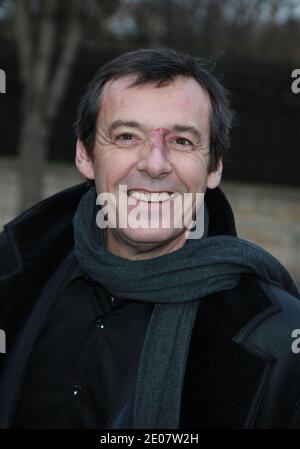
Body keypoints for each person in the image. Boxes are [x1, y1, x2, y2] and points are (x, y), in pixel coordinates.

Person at [0, 48, 300, 429]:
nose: (155, 164)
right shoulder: (17, 274)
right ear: (85, 155)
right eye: (127, 136)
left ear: (215, 167)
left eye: (182, 142)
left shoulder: (278, 338)